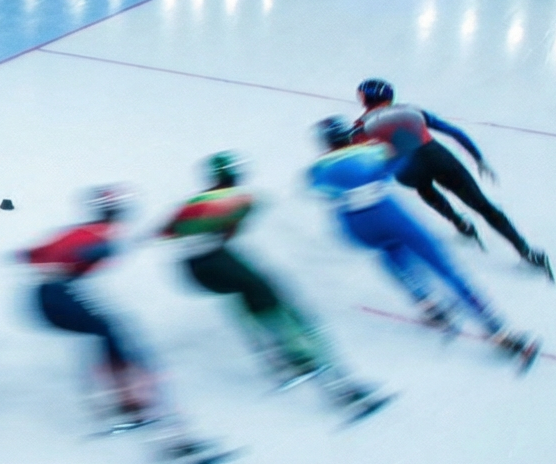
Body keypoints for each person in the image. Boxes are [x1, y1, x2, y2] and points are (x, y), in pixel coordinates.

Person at [21, 188, 234, 464]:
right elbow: (73, 252)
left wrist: (59, 258)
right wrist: (84, 255)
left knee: (108, 339)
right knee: (133, 350)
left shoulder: (79, 230)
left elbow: (28, 255)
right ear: (116, 211)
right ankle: (171, 439)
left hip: (43, 295)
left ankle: (126, 406)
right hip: (60, 292)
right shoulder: (101, 233)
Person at [158, 155, 388, 422]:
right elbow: (239, 218)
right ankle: (332, 380)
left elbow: (166, 231)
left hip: (195, 269)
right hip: (216, 259)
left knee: (248, 295)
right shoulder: (241, 199)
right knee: (282, 307)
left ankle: (275, 357)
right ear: (234, 176)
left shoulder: (194, 202)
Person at [307, 119, 538, 369]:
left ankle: (426, 302)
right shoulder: (371, 152)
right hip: (390, 215)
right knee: (446, 269)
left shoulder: (316, 171)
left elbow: (325, 191)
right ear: (348, 137)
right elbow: (398, 164)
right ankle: (499, 331)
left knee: (389, 250)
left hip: (356, 229)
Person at [353, 80, 549, 277]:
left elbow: (362, 159)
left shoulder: (360, 127)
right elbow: (453, 132)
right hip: (437, 157)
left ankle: (460, 223)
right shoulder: (411, 110)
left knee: (425, 189)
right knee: (483, 205)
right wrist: (478, 158)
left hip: (406, 168)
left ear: (365, 99)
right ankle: (525, 251)